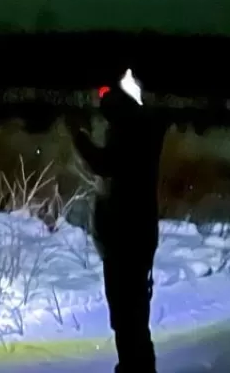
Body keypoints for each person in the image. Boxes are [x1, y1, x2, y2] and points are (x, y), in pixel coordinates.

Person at [72, 68, 166, 372]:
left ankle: (135, 368)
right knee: (133, 317)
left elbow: (103, 163)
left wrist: (78, 135)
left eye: (104, 96)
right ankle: (135, 367)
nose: (100, 103)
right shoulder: (144, 126)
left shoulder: (132, 131)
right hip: (134, 236)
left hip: (126, 238)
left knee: (128, 317)